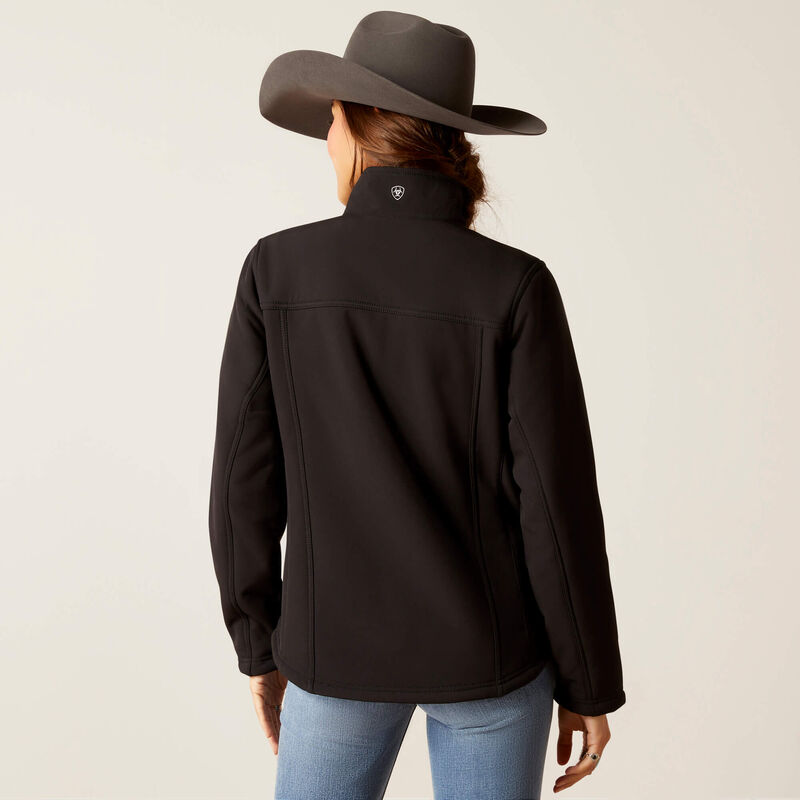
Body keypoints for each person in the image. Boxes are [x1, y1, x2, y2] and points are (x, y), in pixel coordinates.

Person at [208, 11, 626, 800]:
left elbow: (242, 486)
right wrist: (588, 680)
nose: (327, 144)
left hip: (332, 657)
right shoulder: (515, 284)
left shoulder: (277, 271)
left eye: (331, 123)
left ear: (357, 126)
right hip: (491, 661)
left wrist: (259, 647)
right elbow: (556, 504)